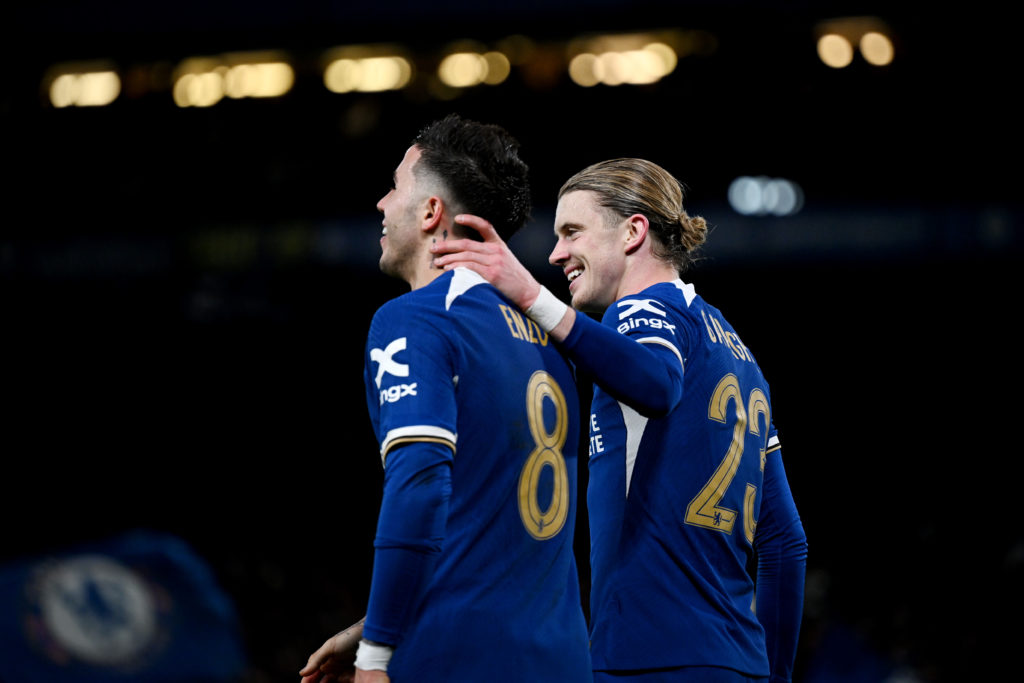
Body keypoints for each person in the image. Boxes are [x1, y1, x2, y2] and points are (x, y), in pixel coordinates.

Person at [431, 158, 808, 682]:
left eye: (572, 232)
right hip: (736, 663)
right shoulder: (737, 351)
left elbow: (654, 383)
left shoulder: (642, 311)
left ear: (633, 232)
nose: (556, 252)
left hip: (646, 657)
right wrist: (777, 676)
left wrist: (531, 297)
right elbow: (786, 543)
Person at [299, 114, 591, 683]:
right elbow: (489, 525)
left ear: (432, 213)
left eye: (396, 186)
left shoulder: (415, 320)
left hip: (458, 656)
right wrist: (380, 619)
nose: (382, 203)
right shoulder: (551, 342)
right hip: (560, 657)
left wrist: (377, 650)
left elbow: (420, 483)